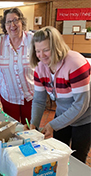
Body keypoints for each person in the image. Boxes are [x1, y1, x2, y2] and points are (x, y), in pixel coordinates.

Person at [25, 26, 91, 163]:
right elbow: (38, 100)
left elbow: (80, 105)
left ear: (56, 47)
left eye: (46, 50)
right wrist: (34, 126)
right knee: (58, 155)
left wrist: (52, 125)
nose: (41, 55)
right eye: (37, 51)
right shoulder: (40, 66)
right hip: (62, 113)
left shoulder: (75, 63)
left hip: (85, 119)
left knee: (77, 159)